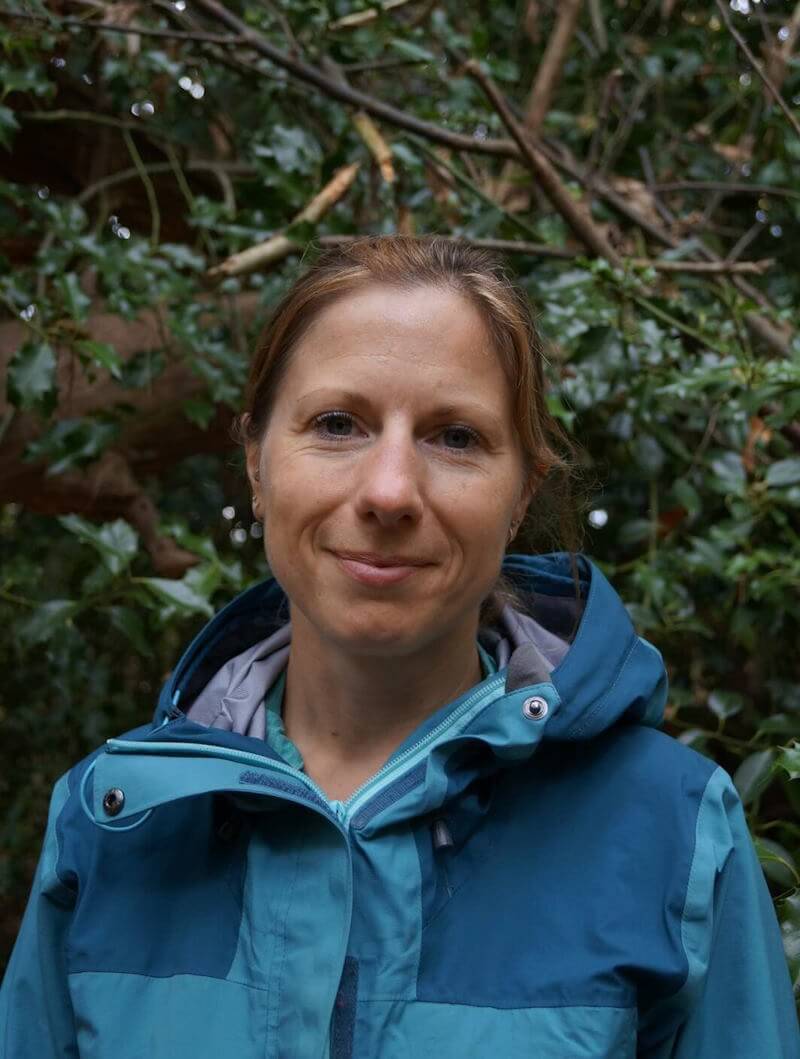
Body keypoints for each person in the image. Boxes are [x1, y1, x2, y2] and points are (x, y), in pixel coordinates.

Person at [1, 236, 797, 1059]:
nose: (389, 490)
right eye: (337, 424)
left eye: (455, 437)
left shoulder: (673, 834)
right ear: (256, 463)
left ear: (520, 493)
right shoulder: (113, 821)